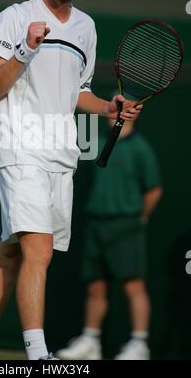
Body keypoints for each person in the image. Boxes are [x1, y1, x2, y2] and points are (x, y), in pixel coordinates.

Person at [0, 0, 142, 360]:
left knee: (13, 253)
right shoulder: (16, 17)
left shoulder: (86, 29)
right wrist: (26, 48)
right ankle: (40, 357)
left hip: (61, 155)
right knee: (37, 248)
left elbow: (80, 93)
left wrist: (109, 106)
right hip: (19, 145)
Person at [56, 115, 162, 360]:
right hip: (96, 223)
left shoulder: (140, 149)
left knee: (133, 285)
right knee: (96, 285)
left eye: (122, 110)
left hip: (126, 225)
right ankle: (91, 340)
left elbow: (154, 189)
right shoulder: (99, 142)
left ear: (135, 114)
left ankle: (139, 344)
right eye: (113, 110)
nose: (115, 115)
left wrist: (139, 218)